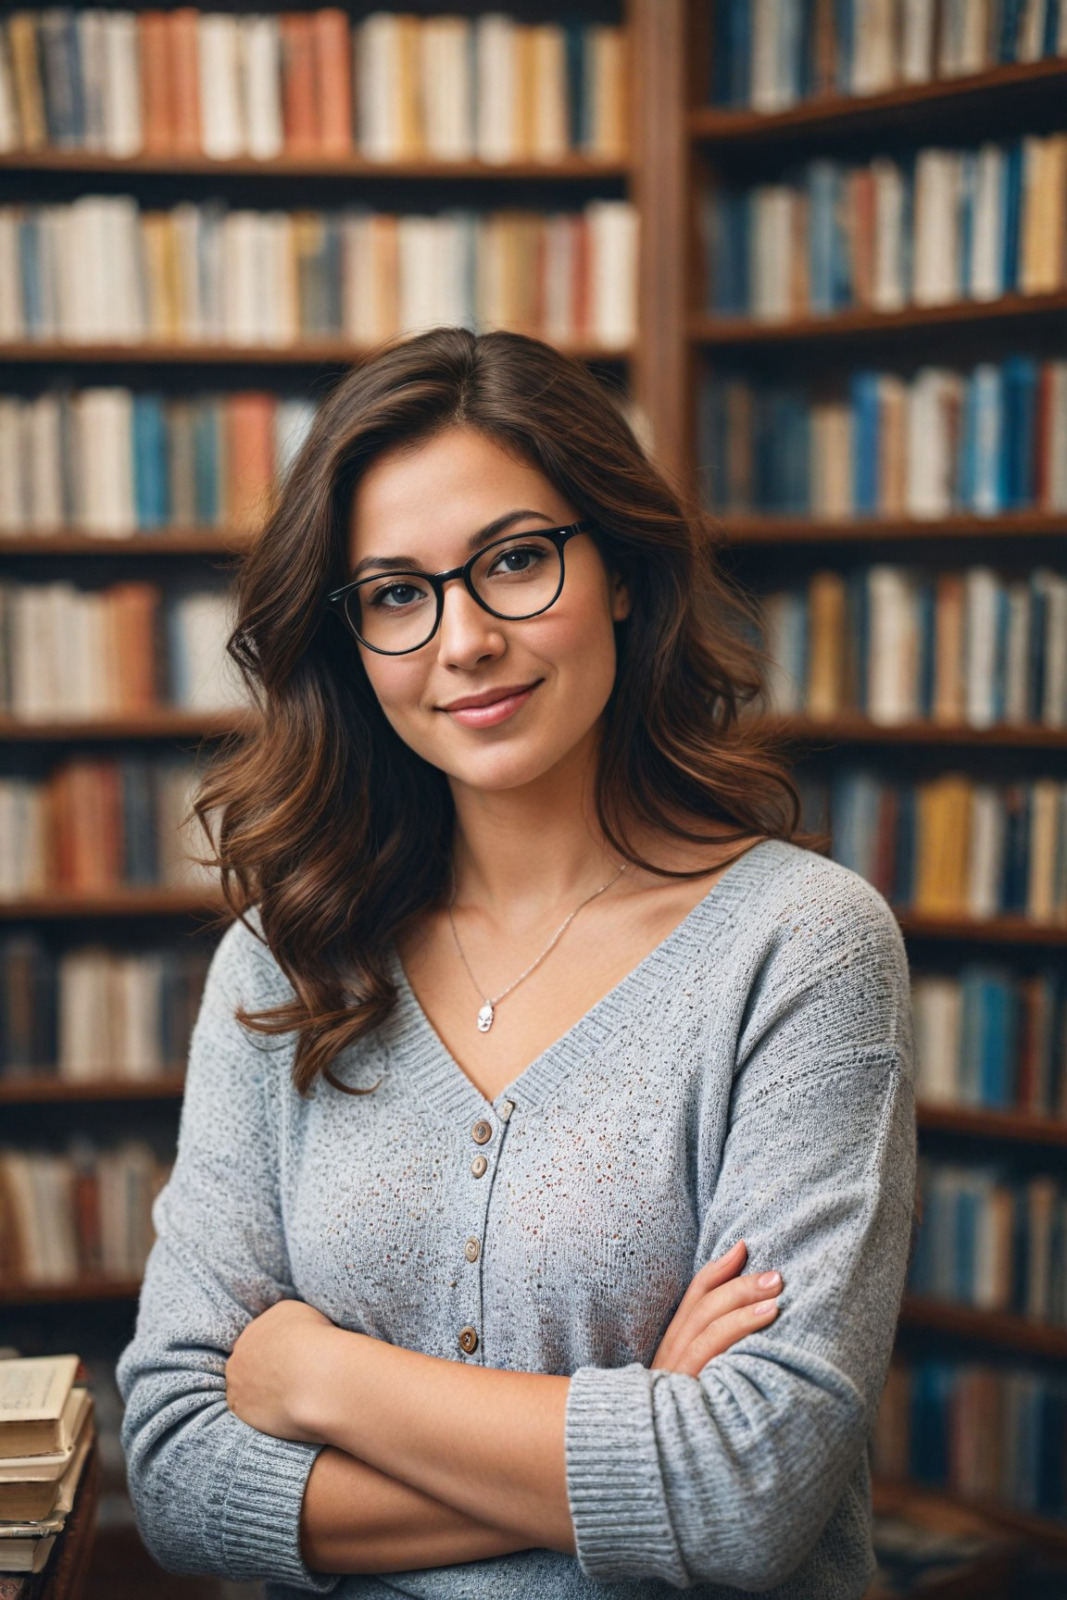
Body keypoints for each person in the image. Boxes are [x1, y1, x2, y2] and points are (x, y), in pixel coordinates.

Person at [116, 326, 916, 1599]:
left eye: (515, 561)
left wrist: (316, 1377)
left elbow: (747, 1494)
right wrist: (639, 1430)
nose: (465, 638)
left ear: (623, 575)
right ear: (352, 641)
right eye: (395, 592)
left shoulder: (799, 947)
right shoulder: (286, 959)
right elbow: (171, 1470)